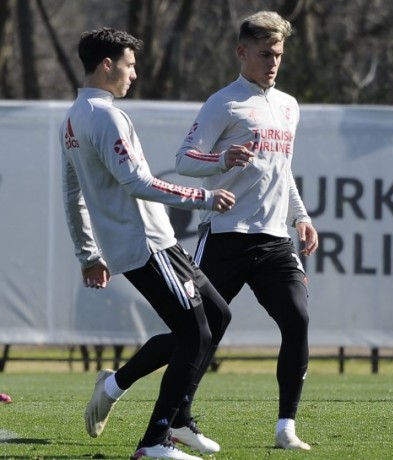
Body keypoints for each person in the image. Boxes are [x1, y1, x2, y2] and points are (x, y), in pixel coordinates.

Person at [61, 28, 236, 460]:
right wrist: (205, 197)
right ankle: (155, 441)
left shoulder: (72, 119)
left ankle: (154, 406)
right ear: (107, 65)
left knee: (216, 314)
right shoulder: (106, 116)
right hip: (146, 243)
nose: (134, 74)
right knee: (195, 335)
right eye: (130, 64)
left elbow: (72, 193)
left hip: (150, 242)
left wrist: (89, 255)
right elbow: (137, 182)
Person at [174, 11, 318, 451]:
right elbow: (183, 160)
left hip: (274, 239)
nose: (273, 62)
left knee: (298, 320)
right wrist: (221, 160)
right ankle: (176, 417)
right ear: (241, 52)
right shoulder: (224, 103)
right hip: (227, 234)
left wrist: (301, 216)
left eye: (278, 54)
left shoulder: (289, 105)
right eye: (264, 53)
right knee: (201, 330)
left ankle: (285, 428)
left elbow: (283, 171)